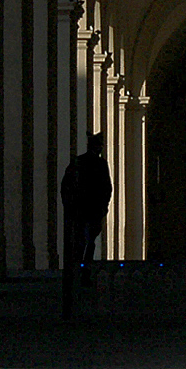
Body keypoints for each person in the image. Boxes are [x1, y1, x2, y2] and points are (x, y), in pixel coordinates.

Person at [60, 132, 113, 317]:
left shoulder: (78, 162)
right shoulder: (99, 164)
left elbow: (66, 186)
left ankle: (77, 271)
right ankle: (84, 271)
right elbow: (107, 188)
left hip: (81, 209)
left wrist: (69, 205)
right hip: (91, 209)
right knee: (89, 242)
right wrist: (103, 207)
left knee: (81, 241)